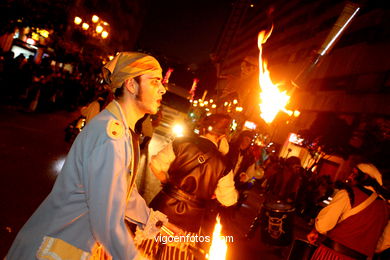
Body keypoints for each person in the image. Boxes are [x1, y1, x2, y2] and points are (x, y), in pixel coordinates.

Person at [6, 52, 176, 259]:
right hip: (54, 246)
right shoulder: (111, 136)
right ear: (131, 85)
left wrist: (155, 222)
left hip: (68, 245)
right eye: (155, 81)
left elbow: (122, 192)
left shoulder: (122, 129)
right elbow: (106, 221)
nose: (162, 88)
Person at [149, 113, 238, 233]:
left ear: (203, 129)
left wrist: (167, 183)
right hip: (190, 220)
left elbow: (155, 165)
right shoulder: (224, 164)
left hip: (163, 207)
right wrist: (214, 192)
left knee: (145, 246)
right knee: (175, 250)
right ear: (222, 136)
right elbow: (228, 200)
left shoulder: (181, 142)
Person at [307, 163, 389, 260]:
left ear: (365, 177)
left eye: (354, 174)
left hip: (332, 255)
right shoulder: (386, 208)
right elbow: (385, 242)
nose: (349, 177)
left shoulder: (348, 194)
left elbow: (323, 224)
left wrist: (316, 230)